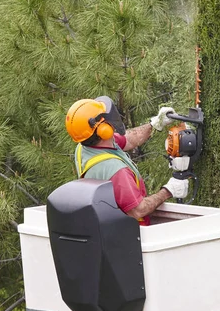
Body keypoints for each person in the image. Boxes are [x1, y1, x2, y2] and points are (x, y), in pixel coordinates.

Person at [65, 96, 188, 224]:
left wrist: (154, 124)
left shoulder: (84, 148)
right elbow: (138, 210)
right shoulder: (116, 171)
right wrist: (169, 191)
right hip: (132, 235)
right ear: (103, 130)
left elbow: (128, 139)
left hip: (105, 227)